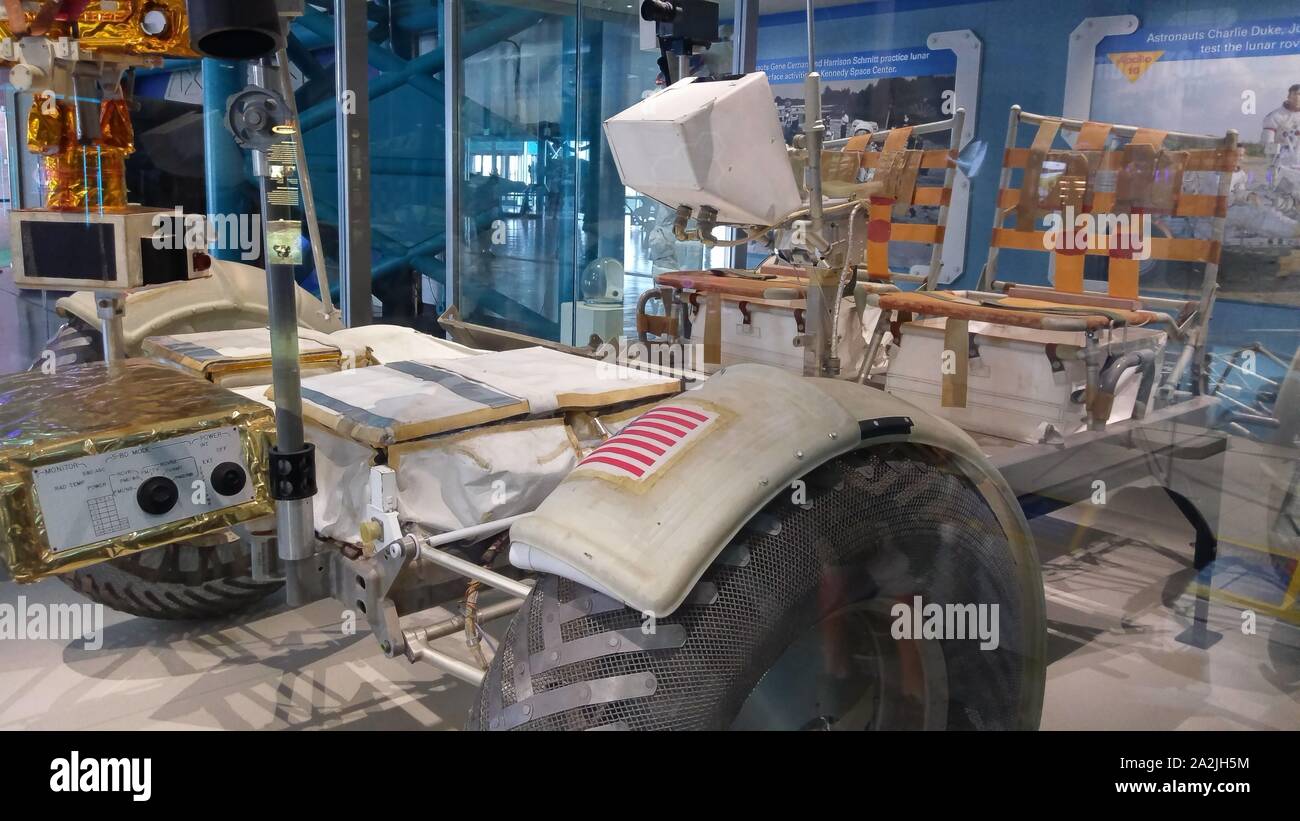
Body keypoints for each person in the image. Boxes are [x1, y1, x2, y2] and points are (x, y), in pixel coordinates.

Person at [1262, 84, 1300, 193]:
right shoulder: (1275, 116)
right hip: (1282, 162)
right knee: (1280, 195)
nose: (1298, 98)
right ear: (1288, 96)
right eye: (1295, 94)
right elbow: (1268, 143)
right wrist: (1272, 163)